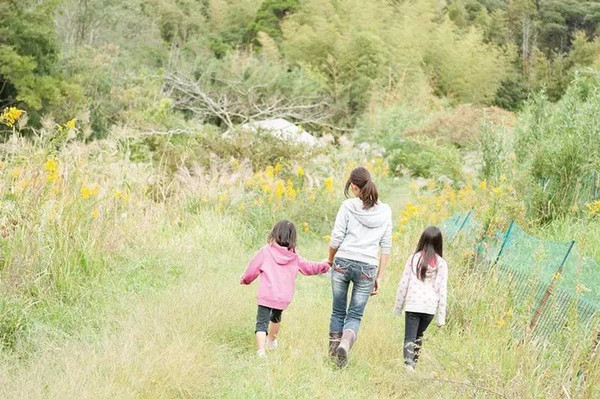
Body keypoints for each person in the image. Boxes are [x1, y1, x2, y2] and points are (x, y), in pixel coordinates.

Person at [327, 166, 392, 368]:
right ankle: (345, 344)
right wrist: (379, 276)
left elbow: (336, 237)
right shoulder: (385, 211)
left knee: (338, 311)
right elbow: (386, 246)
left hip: (343, 261)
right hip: (367, 267)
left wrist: (330, 260)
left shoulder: (347, 206)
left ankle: (332, 356)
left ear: (354, 187)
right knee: (354, 314)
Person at [241, 220, 331, 357]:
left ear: (274, 233)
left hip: (266, 295)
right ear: (292, 238)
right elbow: (310, 268)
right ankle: (271, 341)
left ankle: (261, 351)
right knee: (276, 317)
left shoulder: (265, 252)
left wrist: (245, 279)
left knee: (261, 323)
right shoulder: (294, 257)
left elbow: (252, 269)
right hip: (283, 297)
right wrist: (325, 265)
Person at [394, 226, 448, 372]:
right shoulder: (442, 264)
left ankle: (409, 366)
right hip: (429, 308)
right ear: (439, 243)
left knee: (409, 337)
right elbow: (442, 291)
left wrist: (398, 307)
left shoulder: (413, 259)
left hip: (413, 305)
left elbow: (403, 284)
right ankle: (413, 367)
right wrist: (441, 318)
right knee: (419, 335)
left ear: (422, 240)